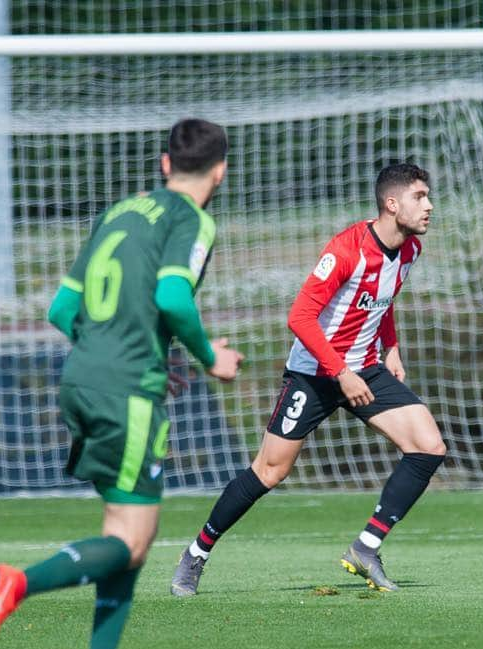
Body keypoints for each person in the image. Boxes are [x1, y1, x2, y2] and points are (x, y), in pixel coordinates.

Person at [0, 118, 243, 649]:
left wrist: (109, 351)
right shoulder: (191, 218)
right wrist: (206, 355)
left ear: (165, 164)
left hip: (82, 377)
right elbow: (172, 295)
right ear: (220, 171)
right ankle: (13, 583)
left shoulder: (118, 211)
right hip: (126, 389)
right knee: (133, 538)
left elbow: (62, 308)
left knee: (127, 529)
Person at [170, 162, 445, 596]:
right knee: (269, 471)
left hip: (365, 369)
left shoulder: (410, 250)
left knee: (428, 446)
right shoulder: (346, 250)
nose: (429, 206)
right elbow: (299, 316)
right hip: (315, 373)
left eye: (427, 196)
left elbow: (383, 299)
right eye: (419, 197)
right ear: (392, 204)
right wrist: (340, 372)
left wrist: (390, 347)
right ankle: (195, 555)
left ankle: (366, 547)